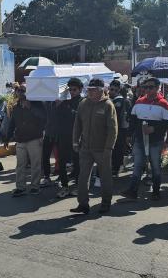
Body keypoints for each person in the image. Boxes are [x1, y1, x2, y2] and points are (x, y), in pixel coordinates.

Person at [121, 77, 168, 201]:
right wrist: (129, 134)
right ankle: (132, 190)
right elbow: (133, 119)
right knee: (138, 165)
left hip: (156, 141)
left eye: (151, 87)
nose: (148, 90)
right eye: (146, 87)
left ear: (157, 88)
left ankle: (156, 191)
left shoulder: (164, 103)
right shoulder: (139, 101)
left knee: (155, 166)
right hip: (140, 139)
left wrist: (154, 128)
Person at [71, 78, 118, 214]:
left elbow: (113, 129)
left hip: (102, 149)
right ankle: (83, 204)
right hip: (85, 148)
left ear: (100, 90)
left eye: (92, 90)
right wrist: (75, 141)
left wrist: (109, 148)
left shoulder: (108, 105)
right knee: (83, 176)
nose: (89, 92)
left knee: (105, 177)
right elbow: (77, 124)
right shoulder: (83, 104)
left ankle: (106, 203)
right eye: (89, 90)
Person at [6, 84, 46, 197]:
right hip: (20, 139)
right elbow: (12, 123)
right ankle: (20, 187)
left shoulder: (37, 103)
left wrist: (31, 108)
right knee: (20, 164)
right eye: (18, 90)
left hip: (34, 138)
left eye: (23, 90)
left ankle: (35, 186)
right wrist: (7, 137)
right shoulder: (16, 106)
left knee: (35, 164)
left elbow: (43, 117)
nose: (20, 92)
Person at [56, 78, 83, 198]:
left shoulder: (84, 103)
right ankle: (65, 186)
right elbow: (57, 119)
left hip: (77, 138)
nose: (72, 92)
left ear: (80, 89)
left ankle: (78, 186)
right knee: (61, 162)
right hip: (63, 137)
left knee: (78, 163)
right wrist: (58, 105)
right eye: (70, 89)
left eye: (74, 89)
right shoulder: (65, 102)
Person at [109, 79, 132, 177]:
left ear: (118, 90)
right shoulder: (109, 100)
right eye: (111, 89)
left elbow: (127, 118)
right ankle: (114, 166)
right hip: (110, 130)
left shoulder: (123, 101)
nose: (112, 91)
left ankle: (116, 168)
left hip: (120, 130)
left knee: (118, 150)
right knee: (112, 150)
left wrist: (127, 134)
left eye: (114, 90)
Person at [41, 101, 59, 187]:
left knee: (60, 157)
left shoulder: (62, 103)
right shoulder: (45, 103)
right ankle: (46, 176)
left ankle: (61, 176)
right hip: (48, 134)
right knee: (45, 156)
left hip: (59, 134)